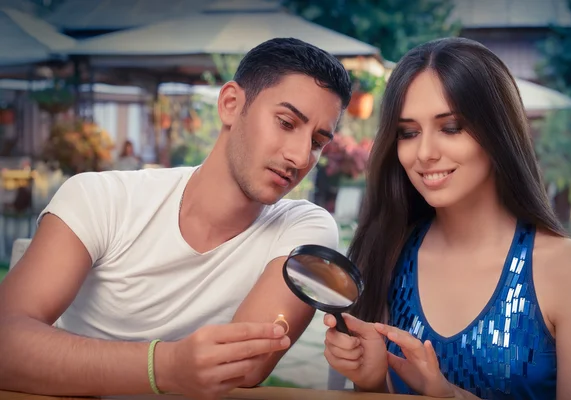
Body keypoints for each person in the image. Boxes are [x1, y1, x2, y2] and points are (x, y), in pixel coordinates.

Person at [0, 38, 352, 399]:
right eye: (286, 122)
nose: (299, 156)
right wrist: (164, 366)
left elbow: (246, 365)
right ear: (231, 104)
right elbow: (5, 342)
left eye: (317, 141)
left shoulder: (305, 228)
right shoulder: (102, 199)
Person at [323, 37, 571, 400]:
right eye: (408, 133)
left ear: (498, 132)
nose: (424, 153)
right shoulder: (385, 255)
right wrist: (374, 383)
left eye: (450, 127)